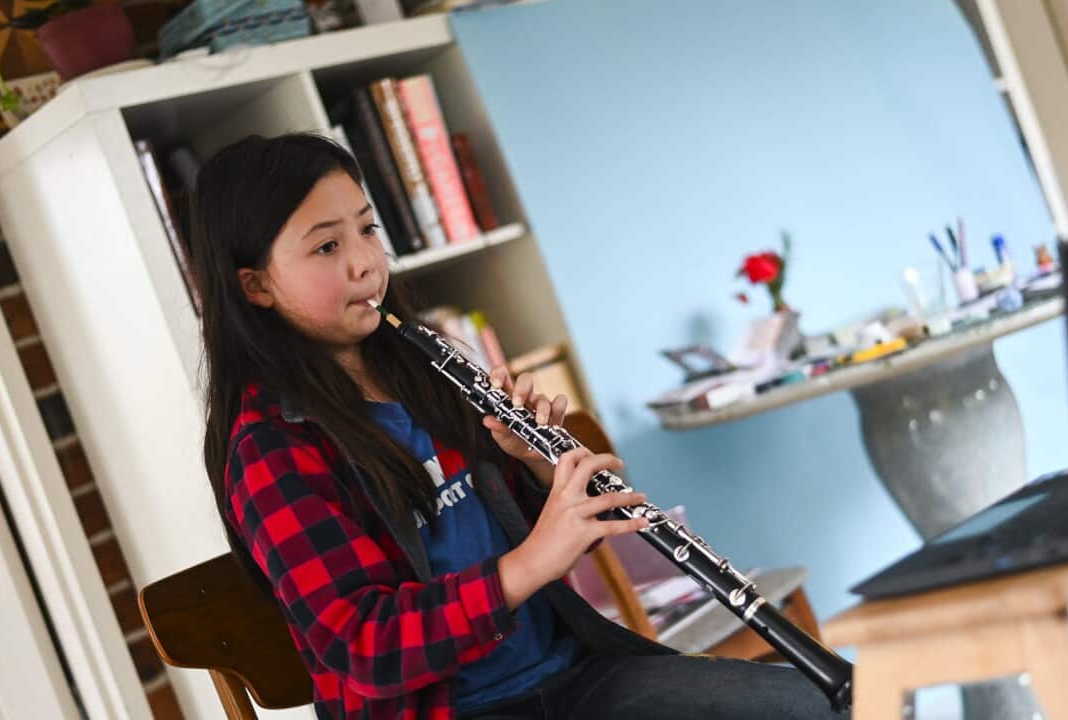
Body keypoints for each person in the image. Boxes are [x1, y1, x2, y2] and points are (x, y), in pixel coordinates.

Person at [190, 132, 849, 720]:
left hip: (575, 679)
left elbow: (559, 543)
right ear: (256, 286)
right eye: (327, 245)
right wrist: (528, 562)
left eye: (368, 231)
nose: (364, 262)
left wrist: (538, 468)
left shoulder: (427, 369)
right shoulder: (271, 449)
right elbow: (365, 646)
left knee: (817, 705)